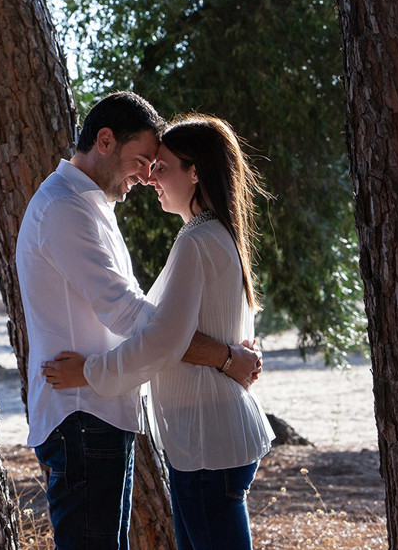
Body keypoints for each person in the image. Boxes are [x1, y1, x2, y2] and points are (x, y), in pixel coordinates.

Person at [16, 93, 261, 550]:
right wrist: (224, 357)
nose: (148, 175)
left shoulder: (91, 207)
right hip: (82, 413)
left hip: (98, 411)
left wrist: (227, 353)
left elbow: (158, 320)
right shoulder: (66, 209)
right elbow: (132, 314)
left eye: (156, 164)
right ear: (105, 141)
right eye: (143, 160)